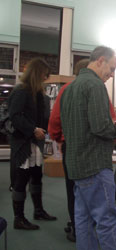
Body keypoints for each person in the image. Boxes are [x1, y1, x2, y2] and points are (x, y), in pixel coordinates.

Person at [60, 46, 116, 250]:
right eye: (112, 68)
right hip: (95, 164)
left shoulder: (69, 88)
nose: (112, 75)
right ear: (100, 60)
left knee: (83, 220)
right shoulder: (95, 85)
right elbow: (100, 127)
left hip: (76, 165)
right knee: (108, 220)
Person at [48, 58, 112, 242]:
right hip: (95, 150)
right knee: (102, 205)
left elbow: (54, 121)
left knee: (75, 193)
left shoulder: (66, 90)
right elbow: (108, 120)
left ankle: (78, 230)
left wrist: (59, 138)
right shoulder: (97, 88)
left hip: (72, 147)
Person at [8, 58, 57, 230]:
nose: (46, 78)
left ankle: (38, 211)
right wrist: (33, 129)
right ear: (37, 73)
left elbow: (41, 117)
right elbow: (15, 116)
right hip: (23, 142)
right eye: (44, 74)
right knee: (21, 180)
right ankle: (18, 218)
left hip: (35, 142)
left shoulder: (39, 94)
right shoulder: (21, 91)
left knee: (37, 177)